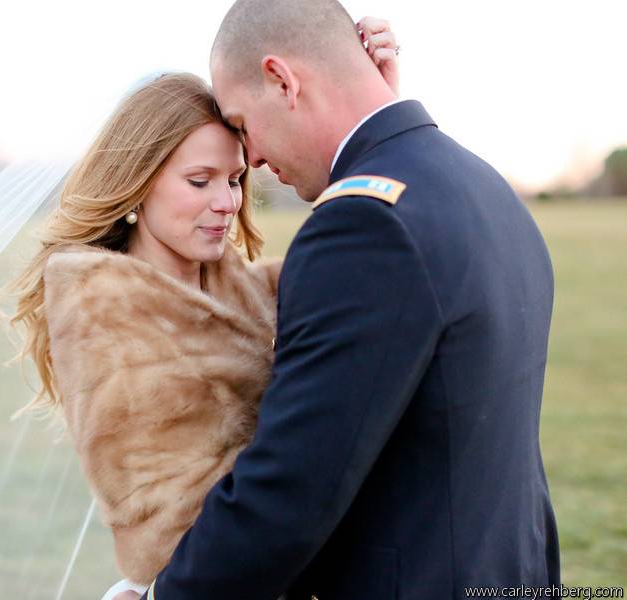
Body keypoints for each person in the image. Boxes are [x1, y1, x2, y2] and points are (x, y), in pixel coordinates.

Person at [118, 2, 561, 600]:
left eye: (245, 125)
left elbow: (291, 490)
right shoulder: (477, 183)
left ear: (282, 79)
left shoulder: (363, 226)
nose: (250, 159)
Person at [1, 18, 401, 600]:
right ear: (138, 184)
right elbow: (169, 524)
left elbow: (366, 252)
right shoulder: (100, 307)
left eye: (235, 179)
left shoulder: (244, 283)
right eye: (199, 180)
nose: (225, 202)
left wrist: (375, 112)